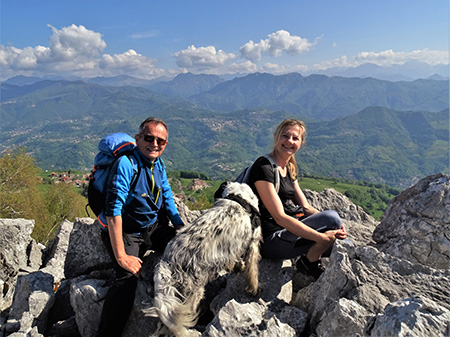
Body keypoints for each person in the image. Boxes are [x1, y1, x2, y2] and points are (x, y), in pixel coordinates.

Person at [96, 117, 184, 337]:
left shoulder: (158, 164)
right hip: (128, 231)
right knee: (126, 280)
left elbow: (167, 198)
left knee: (186, 252)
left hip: (152, 226)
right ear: (138, 139)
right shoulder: (126, 164)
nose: (154, 144)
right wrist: (121, 256)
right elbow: (113, 211)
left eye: (161, 141)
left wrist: (182, 228)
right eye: (149, 138)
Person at [247, 119, 347, 279]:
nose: (289, 141)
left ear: (301, 143)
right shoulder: (264, 168)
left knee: (340, 240)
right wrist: (321, 237)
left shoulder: (289, 168)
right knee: (331, 219)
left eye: (295, 138)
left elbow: (306, 208)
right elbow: (280, 217)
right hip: (270, 241)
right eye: (285, 136)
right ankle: (310, 262)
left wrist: (337, 227)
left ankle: (308, 261)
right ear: (276, 137)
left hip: (289, 233)